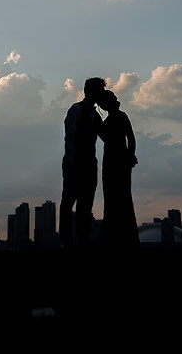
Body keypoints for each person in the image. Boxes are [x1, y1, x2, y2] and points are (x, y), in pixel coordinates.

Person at [60, 76, 105, 249]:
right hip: (76, 162)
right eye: (99, 92)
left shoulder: (94, 114)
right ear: (91, 92)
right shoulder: (76, 110)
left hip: (89, 163)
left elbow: (104, 135)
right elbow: (70, 136)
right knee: (69, 201)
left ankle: (83, 239)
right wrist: (71, 161)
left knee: (86, 203)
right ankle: (67, 241)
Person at [97, 89, 139, 248]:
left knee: (117, 197)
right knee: (118, 197)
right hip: (116, 160)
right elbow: (130, 138)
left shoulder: (119, 117)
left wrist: (130, 155)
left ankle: (116, 238)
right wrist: (130, 155)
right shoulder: (117, 117)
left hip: (115, 161)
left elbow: (130, 137)